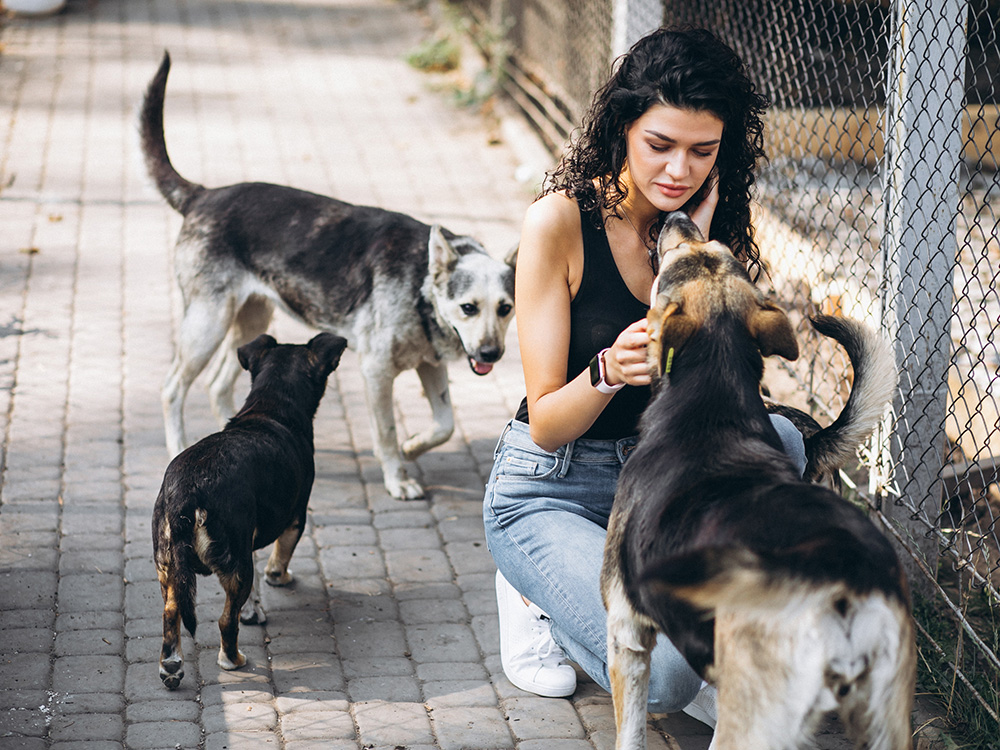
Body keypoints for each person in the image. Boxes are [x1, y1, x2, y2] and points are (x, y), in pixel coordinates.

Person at [482, 27, 807, 727]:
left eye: (702, 151)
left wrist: (700, 243)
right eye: (659, 145)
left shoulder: (707, 224)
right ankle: (535, 593)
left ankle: (715, 634)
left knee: (785, 440)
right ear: (623, 129)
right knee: (661, 687)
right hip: (556, 488)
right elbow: (543, 425)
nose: (678, 171)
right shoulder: (559, 225)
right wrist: (606, 372)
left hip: (661, 485)